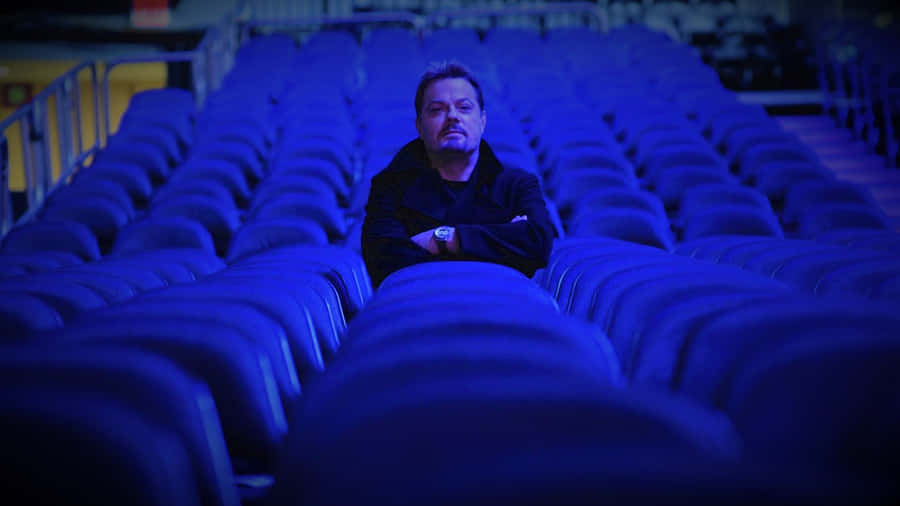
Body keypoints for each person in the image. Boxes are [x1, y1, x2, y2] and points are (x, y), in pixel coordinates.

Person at [361, 61, 555, 287]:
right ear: (419, 126)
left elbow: (538, 243)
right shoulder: (390, 186)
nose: (452, 116)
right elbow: (382, 260)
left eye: (464, 107)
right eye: (437, 110)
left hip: (503, 307)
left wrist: (441, 238)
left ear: (482, 122)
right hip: (417, 308)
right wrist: (503, 239)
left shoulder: (517, 184)